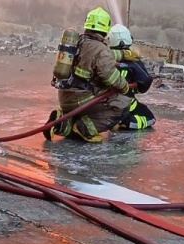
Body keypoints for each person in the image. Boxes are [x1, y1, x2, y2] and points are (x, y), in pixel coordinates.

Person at [45, 8, 135, 143]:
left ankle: (60, 124)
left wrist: (122, 55)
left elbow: (99, 55)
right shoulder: (99, 48)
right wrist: (125, 88)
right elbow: (110, 77)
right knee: (121, 104)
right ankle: (85, 128)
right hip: (82, 99)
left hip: (65, 97)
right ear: (105, 28)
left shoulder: (79, 41)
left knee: (95, 106)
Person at [106, 24, 156, 131]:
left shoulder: (103, 58)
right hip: (125, 103)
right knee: (150, 118)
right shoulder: (133, 62)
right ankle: (127, 122)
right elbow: (145, 81)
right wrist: (137, 87)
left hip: (102, 102)